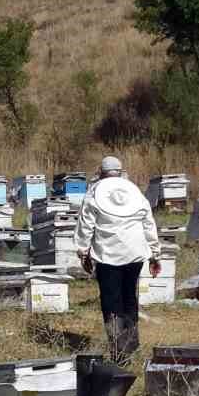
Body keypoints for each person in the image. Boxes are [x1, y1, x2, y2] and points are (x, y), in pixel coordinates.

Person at [77, 155, 159, 364]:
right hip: (135, 254)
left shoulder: (94, 191)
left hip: (108, 256)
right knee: (129, 299)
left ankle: (120, 353)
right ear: (120, 171)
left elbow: (86, 224)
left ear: (101, 172)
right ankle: (131, 346)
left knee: (112, 303)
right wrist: (154, 254)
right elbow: (148, 222)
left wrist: (83, 252)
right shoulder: (134, 191)